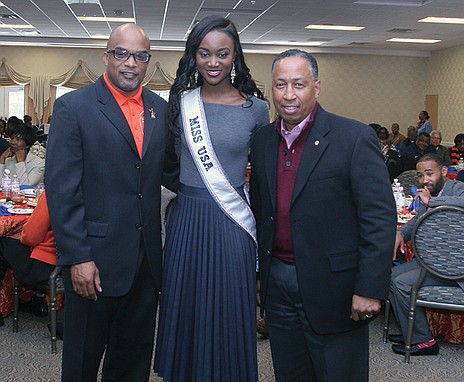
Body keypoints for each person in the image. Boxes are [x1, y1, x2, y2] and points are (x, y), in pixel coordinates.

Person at [250, 49, 395, 381]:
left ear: (317, 87)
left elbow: (379, 218)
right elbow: (262, 213)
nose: (289, 95)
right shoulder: (261, 141)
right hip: (279, 283)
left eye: (298, 84)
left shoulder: (353, 138)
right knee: (290, 372)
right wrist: (261, 275)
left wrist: (370, 287)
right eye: (280, 84)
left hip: (336, 287)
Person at [46, 23, 177, 381]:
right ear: (106, 56)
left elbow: (169, 173)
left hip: (146, 264)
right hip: (95, 263)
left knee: (133, 362)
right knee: (83, 361)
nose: (130, 62)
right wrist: (79, 257)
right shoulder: (74, 107)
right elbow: (62, 190)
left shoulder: (159, 109)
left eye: (140, 55)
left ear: (148, 61)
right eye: (121, 53)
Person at [154, 16, 269, 382]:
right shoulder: (181, 103)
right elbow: (169, 163)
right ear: (194, 56)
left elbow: (265, 180)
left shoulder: (257, 109)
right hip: (187, 219)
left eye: (223, 53)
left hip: (231, 222)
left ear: (235, 56)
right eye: (204, 53)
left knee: (229, 308)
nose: (213, 62)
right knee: (186, 305)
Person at [389, 154, 464, 355]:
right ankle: (410, 331)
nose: (425, 180)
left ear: (444, 172)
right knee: (391, 276)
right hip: (436, 262)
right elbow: (417, 221)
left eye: (429, 174)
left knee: (402, 283)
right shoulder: (427, 193)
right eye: (421, 176)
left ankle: (424, 341)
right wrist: (400, 233)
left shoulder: (459, 188)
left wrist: (432, 202)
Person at [0, 191, 56, 327]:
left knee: (2, 244)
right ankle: (24, 299)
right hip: (65, 262)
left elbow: (31, 237)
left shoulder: (53, 193)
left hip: (44, 265)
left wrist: (21, 235)